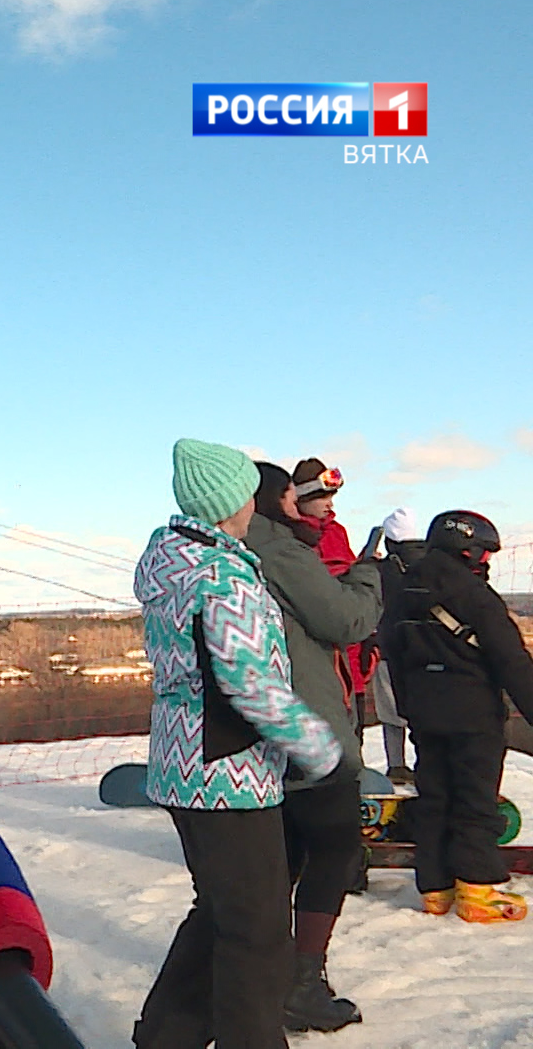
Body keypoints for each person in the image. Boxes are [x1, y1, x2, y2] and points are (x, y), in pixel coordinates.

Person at [132, 439, 341, 1049]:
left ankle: (165, 1037)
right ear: (229, 504)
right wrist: (316, 744)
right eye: (249, 493)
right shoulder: (224, 576)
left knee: (221, 912)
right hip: (228, 772)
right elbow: (250, 682)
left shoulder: (173, 565)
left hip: (182, 763)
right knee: (258, 933)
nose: (255, 504)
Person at [245, 462, 381, 1033]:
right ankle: (300, 982)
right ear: (276, 500)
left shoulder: (236, 551)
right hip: (306, 726)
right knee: (333, 849)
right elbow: (347, 619)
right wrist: (370, 573)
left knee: (285, 856)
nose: (319, 506)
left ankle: (266, 977)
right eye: (297, 496)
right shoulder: (279, 550)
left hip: (262, 731)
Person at [382, 509, 533, 923]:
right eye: (485, 553)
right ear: (467, 550)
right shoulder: (474, 594)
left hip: (425, 714)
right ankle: (477, 888)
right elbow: (511, 660)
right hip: (473, 715)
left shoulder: (404, 591)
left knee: (434, 798)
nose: (488, 561)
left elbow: (392, 651)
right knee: (474, 799)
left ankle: (435, 888)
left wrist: (409, 706)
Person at [290, 458, 376, 717]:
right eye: (322, 497)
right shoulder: (290, 538)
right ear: (301, 498)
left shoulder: (336, 531)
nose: (330, 504)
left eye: (331, 496)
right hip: (319, 661)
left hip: (351, 658)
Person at [372, 507, 426, 784]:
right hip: (426, 651)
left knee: (390, 712)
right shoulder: (432, 565)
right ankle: (427, 765)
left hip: (388, 649)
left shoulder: (381, 571)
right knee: (423, 711)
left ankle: (396, 766)